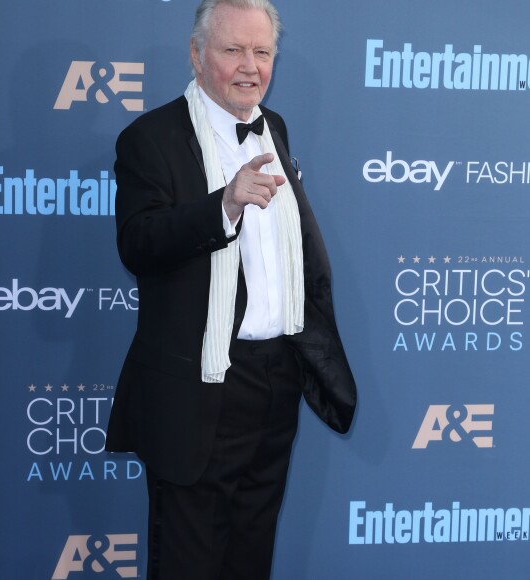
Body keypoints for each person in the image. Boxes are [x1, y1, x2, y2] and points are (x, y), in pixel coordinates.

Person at [105, 1, 357, 578]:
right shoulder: (149, 138)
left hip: (275, 380)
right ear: (197, 56)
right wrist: (224, 205)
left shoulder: (277, 127)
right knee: (189, 561)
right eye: (232, 50)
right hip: (199, 386)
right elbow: (138, 243)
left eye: (262, 51)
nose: (251, 66)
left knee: (251, 557)